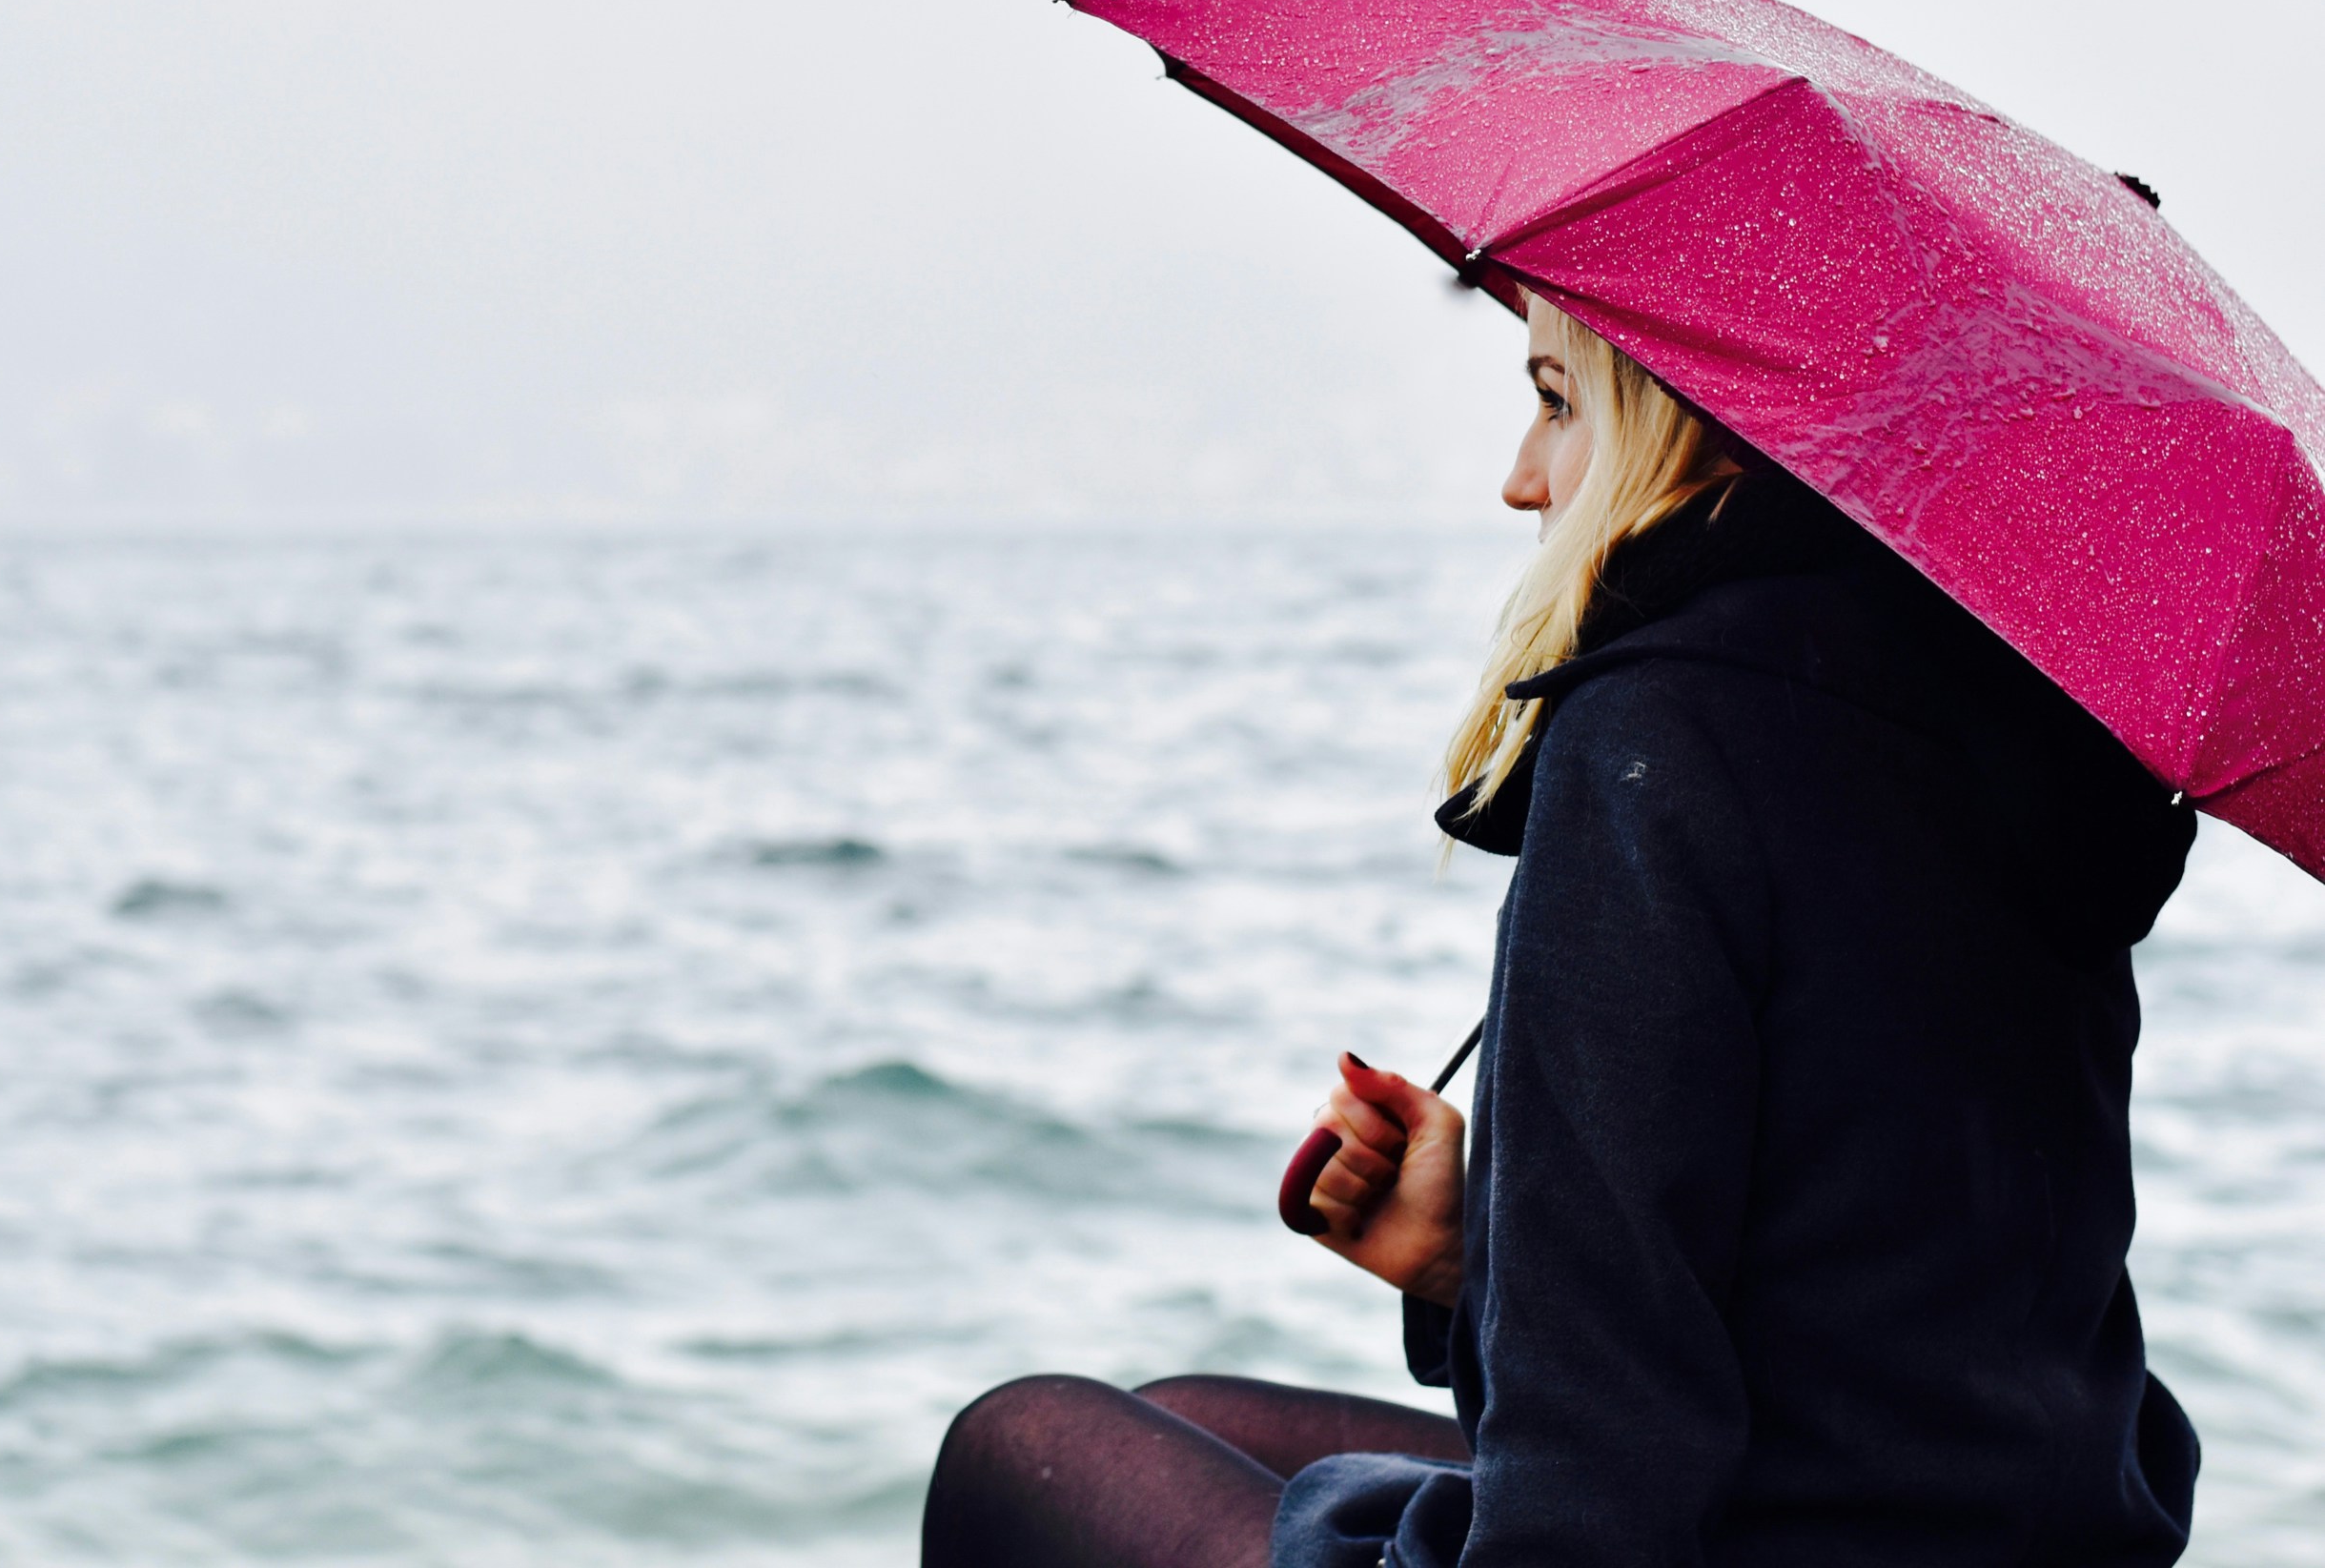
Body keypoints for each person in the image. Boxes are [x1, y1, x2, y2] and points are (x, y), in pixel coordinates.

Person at [922, 297, 2201, 1567]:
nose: (1522, 479)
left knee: (1020, 1446)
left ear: (1693, 429)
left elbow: (1596, 1487)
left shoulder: (1663, 735)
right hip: (2025, 1532)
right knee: (1186, 1415)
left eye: (1557, 402)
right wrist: (1470, 1260)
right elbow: (1872, 1286)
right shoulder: (2031, 734)